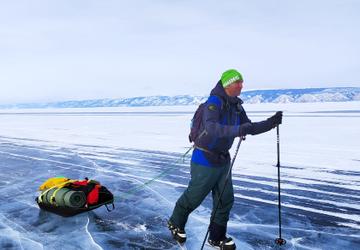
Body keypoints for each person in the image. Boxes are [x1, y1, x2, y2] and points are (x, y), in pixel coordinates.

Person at [167, 69, 283, 249]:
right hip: (204, 157)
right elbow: (212, 127)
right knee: (194, 196)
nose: (241, 86)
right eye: (238, 82)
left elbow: (248, 127)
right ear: (228, 84)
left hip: (223, 160)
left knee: (225, 199)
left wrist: (270, 123)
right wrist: (238, 130)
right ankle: (175, 222)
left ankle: (216, 237)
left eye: (242, 82)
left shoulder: (237, 105)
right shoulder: (214, 102)